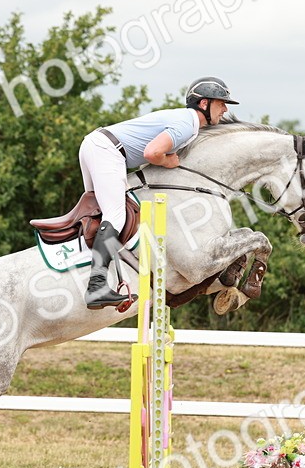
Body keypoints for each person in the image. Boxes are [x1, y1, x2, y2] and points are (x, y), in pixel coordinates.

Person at [78, 76, 239, 309]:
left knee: (99, 215)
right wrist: (167, 162)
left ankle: (86, 274)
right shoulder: (187, 124)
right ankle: (96, 287)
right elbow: (153, 152)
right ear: (204, 104)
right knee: (116, 216)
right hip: (107, 151)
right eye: (221, 102)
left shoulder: (187, 122)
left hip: (99, 146)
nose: (224, 108)